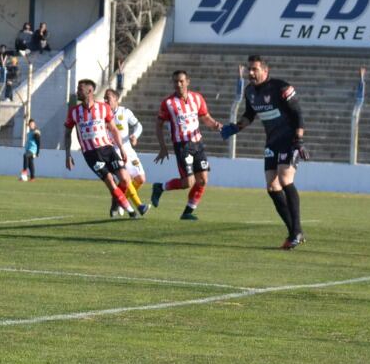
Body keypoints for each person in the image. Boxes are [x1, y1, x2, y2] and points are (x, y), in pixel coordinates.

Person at [220, 55, 307, 249]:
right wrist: (236, 127)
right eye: (249, 69)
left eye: (254, 69)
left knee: (285, 180)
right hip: (272, 142)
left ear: (265, 71)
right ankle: (294, 231)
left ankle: (297, 231)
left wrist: (299, 140)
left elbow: (298, 113)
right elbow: (249, 114)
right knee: (272, 186)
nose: (250, 73)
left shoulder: (281, 87)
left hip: (288, 140)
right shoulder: (249, 91)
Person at [64, 78, 146, 218]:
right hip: (91, 153)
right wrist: (67, 155)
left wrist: (121, 148)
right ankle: (131, 211)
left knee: (125, 179)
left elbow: (114, 130)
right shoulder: (74, 112)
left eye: (80, 89)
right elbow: (67, 134)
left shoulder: (103, 108)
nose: (77, 91)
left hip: (108, 149)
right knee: (110, 181)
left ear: (89, 91)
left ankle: (117, 204)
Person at [152, 70, 222, 221]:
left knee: (203, 180)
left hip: (198, 144)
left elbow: (206, 117)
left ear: (188, 81)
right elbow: (158, 125)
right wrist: (163, 146)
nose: (178, 84)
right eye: (175, 81)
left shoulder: (197, 98)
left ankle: (188, 211)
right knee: (187, 183)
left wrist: (215, 125)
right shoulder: (168, 103)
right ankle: (160, 187)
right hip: (182, 146)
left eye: (181, 81)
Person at [103, 89, 144, 216]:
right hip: (114, 150)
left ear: (116, 99)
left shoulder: (125, 112)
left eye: (108, 97)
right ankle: (138, 206)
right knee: (126, 179)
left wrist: (135, 136)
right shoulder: (102, 114)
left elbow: (139, 126)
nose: (105, 100)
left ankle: (120, 201)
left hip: (128, 149)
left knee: (141, 179)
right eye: (104, 98)